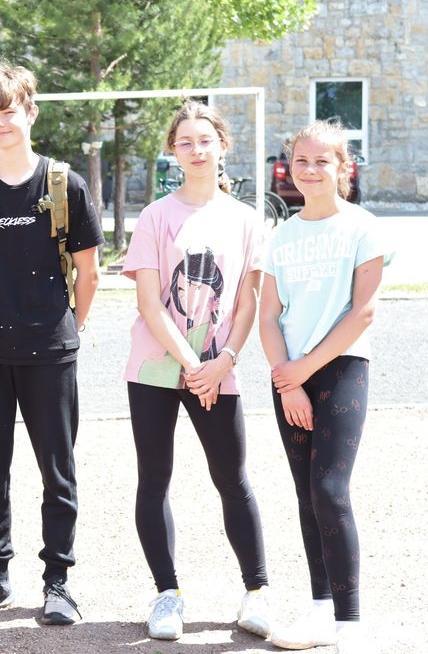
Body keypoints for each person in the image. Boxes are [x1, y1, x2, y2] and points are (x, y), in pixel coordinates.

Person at [0, 64, 102, 626]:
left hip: (50, 351)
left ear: (30, 112)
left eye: (8, 112)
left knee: (57, 471)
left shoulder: (65, 185)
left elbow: (89, 273)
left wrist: (67, 329)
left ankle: (58, 582)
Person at [121, 99, 272, 641]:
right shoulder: (156, 216)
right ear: (173, 150)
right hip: (156, 369)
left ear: (222, 145)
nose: (196, 149)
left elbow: (249, 301)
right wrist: (191, 365)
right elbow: (149, 301)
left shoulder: (245, 219)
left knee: (232, 478)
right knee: (154, 479)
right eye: (185, 142)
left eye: (205, 140)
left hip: (218, 368)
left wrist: (222, 361)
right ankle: (168, 594)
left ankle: (257, 592)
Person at [260, 120, 390, 654]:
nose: (311, 170)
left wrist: (306, 368)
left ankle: (349, 624)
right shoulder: (280, 236)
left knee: (330, 491)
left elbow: (363, 313)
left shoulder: (363, 228)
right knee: (305, 494)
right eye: (302, 161)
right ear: (289, 167)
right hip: (289, 377)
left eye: (322, 161)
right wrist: (288, 380)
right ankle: (319, 611)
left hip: (341, 368)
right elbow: (269, 317)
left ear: (343, 167)